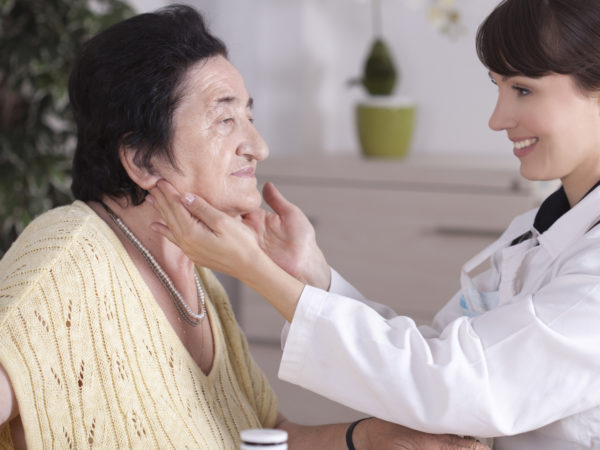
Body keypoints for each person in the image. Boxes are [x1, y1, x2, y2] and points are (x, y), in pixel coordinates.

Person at [0, 4, 488, 450]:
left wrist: (370, 438)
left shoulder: (196, 273)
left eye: (249, 115)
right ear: (142, 159)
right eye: (225, 119)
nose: (258, 145)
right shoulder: (65, 260)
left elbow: (267, 435)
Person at [147, 0, 600, 448]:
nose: (497, 119)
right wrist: (310, 276)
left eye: (522, 89)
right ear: (139, 159)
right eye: (497, 87)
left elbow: (455, 385)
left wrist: (257, 273)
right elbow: (434, 353)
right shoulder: (537, 231)